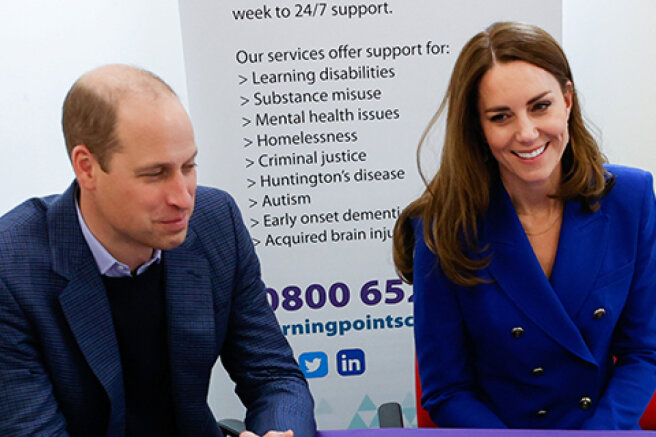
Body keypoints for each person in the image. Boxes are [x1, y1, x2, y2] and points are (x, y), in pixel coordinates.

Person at [0, 64, 316, 437]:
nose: (183, 198)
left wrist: (279, 432)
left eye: (189, 166)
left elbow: (273, 375)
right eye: (154, 174)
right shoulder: (12, 267)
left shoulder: (216, 222)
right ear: (87, 168)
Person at [393, 22, 656, 429]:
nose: (527, 133)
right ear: (478, 129)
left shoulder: (632, 198)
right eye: (501, 117)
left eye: (540, 106)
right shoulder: (442, 226)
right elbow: (447, 390)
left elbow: (644, 352)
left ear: (567, 100)